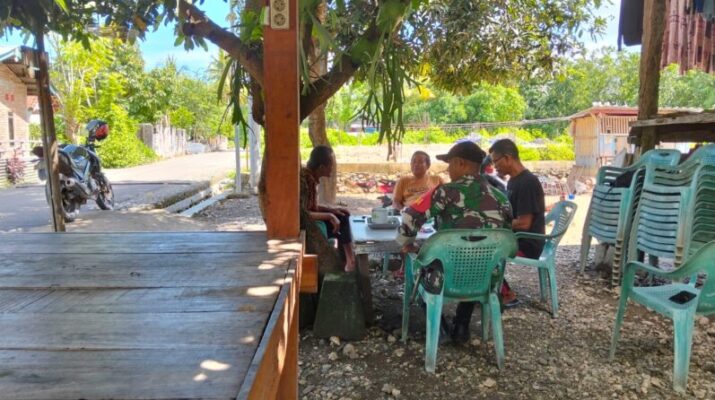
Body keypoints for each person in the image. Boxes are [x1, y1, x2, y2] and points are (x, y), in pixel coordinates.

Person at [396, 141, 513, 343]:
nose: (448, 170)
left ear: (460, 163)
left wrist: (408, 243)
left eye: (449, 164)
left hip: (446, 277)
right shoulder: (502, 198)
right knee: (476, 263)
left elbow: (409, 217)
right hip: (487, 279)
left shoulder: (444, 192)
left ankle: (440, 327)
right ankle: (461, 324)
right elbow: (506, 235)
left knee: (419, 266)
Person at [489, 139, 546, 305]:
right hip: (515, 237)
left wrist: (497, 223)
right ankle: (490, 288)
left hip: (527, 243)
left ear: (507, 158)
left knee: (484, 250)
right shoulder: (514, 180)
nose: (494, 166)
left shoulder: (528, 182)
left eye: (496, 161)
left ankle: (506, 294)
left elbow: (524, 224)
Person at [301, 145, 356, 272]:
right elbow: (303, 213)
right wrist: (329, 216)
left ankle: (347, 260)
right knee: (341, 220)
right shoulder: (306, 181)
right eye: (331, 165)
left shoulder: (311, 178)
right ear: (321, 167)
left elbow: (312, 206)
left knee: (343, 216)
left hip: (311, 218)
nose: (332, 168)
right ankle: (349, 261)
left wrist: (332, 210)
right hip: (307, 225)